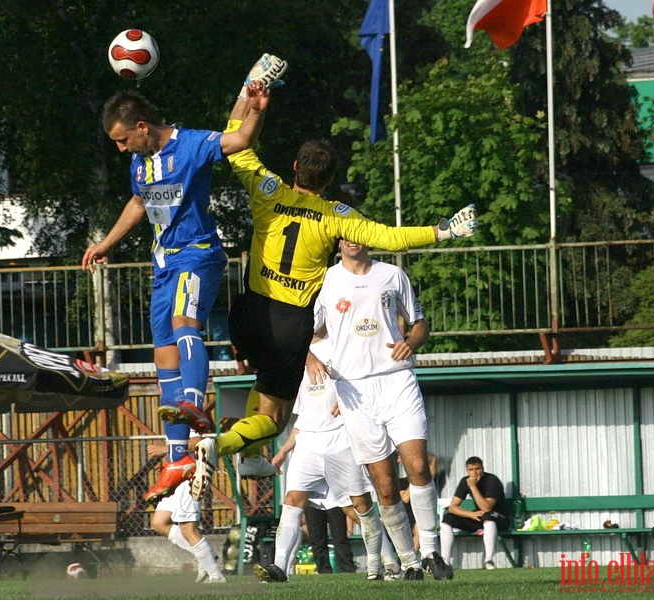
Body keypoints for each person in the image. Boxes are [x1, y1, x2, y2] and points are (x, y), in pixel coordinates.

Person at [177, 55, 478, 501]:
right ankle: (216, 446)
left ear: (295, 167)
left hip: (247, 310)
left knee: (267, 387)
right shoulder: (336, 217)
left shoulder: (268, 190)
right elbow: (391, 238)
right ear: (331, 179)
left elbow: (234, 141)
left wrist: (250, 88)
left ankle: (254, 455)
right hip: (289, 323)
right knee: (277, 417)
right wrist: (443, 229)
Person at [81, 55, 284, 504]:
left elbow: (242, 137)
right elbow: (139, 203)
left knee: (183, 324)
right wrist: (107, 243)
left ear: (141, 125)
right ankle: (176, 459)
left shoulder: (191, 144)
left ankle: (194, 401)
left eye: (122, 139)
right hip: (162, 264)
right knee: (162, 355)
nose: (120, 149)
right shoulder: (141, 162)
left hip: (198, 255)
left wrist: (256, 104)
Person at [307, 239, 454, 581]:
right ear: (338, 242)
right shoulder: (326, 280)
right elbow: (306, 332)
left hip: (397, 379)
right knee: (384, 486)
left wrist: (410, 342)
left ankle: (431, 552)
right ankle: (409, 561)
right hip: (354, 390)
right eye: (344, 235)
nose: (352, 240)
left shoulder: (392, 274)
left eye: (358, 232)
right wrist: (312, 357)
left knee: (418, 465)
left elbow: (419, 323)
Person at [253, 341, 391, 583]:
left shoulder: (343, 346)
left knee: (358, 506)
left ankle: (384, 562)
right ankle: (279, 568)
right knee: (292, 502)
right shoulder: (296, 356)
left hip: (341, 440)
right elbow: (303, 416)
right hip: (308, 443)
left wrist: (351, 400)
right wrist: (283, 451)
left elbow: (368, 387)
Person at [147, 439, 226, 583]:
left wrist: (165, 448)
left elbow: (199, 442)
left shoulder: (185, 417)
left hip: (188, 476)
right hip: (173, 475)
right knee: (159, 523)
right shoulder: (170, 420)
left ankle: (216, 577)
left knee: (187, 529)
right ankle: (207, 555)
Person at [439, 456, 510, 569]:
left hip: (499, 518)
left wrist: (473, 487)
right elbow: (453, 507)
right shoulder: (465, 481)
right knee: (447, 518)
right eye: (471, 470)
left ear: (483, 468)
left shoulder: (492, 480)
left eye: (477, 469)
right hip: (479, 517)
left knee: (488, 516)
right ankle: (445, 562)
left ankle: (489, 561)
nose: (475, 472)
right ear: (467, 471)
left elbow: (487, 508)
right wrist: (471, 514)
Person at [304, 503, 355, 575]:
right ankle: (323, 571)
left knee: (340, 538)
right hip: (312, 500)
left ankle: (348, 570)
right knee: (317, 540)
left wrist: (350, 529)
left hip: (335, 500)